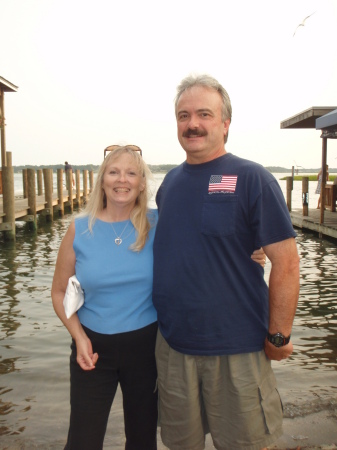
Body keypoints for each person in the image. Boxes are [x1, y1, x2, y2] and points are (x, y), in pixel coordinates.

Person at [153, 74, 300, 450]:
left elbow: (286, 264)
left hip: (238, 350)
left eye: (204, 114)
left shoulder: (253, 179)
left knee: (247, 444)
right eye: (184, 116)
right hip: (174, 349)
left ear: (225, 124)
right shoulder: (168, 184)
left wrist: (278, 334)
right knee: (180, 444)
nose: (193, 124)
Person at [52, 146, 158, 450]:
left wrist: (252, 252)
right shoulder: (79, 228)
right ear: (102, 180)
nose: (121, 180)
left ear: (141, 182)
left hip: (146, 347)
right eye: (113, 172)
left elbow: (207, 246)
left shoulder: (158, 223)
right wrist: (79, 337)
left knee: (142, 438)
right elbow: (59, 292)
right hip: (92, 347)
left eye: (131, 173)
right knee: (83, 439)